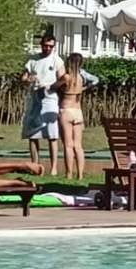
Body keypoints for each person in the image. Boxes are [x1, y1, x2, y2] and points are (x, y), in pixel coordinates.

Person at [21, 32, 64, 176]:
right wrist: (28, 80)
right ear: (41, 45)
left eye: (51, 46)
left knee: (52, 134)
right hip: (34, 99)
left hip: (49, 100)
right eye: (45, 46)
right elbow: (24, 78)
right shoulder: (33, 60)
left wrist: (50, 86)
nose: (48, 48)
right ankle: (35, 165)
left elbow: (63, 79)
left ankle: (54, 168)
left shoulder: (57, 60)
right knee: (33, 134)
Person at [51, 52, 98, 181]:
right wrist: (84, 88)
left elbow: (53, 86)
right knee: (78, 146)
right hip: (78, 111)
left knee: (68, 145)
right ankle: (81, 174)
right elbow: (95, 80)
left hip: (66, 110)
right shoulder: (81, 78)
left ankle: (69, 173)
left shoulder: (66, 77)